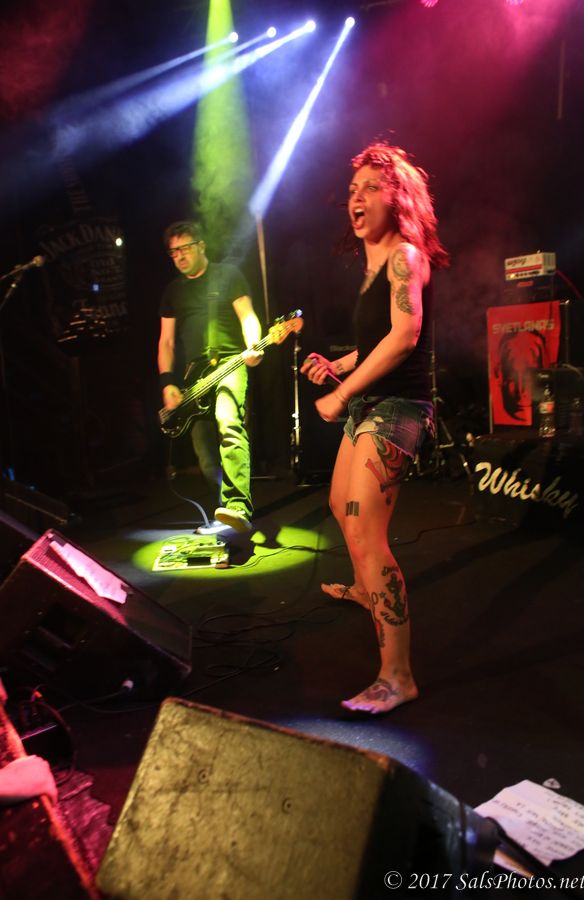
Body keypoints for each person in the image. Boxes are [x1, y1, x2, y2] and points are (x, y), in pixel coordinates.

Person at [300, 142, 449, 715]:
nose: (355, 199)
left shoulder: (406, 255)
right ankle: (367, 590)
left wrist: (341, 392)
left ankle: (397, 677)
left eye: (369, 188)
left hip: (399, 407)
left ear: (398, 196)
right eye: (352, 191)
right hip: (371, 401)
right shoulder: (372, 267)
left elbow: (405, 337)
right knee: (340, 504)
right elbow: (376, 341)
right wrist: (338, 366)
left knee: (366, 530)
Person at [158, 221, 263, 533]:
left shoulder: (227, 275)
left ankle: (238, 506)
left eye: (185, 248)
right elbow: (166, 342)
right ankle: (224, 513)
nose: (179, 256)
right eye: (173, 252)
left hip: (230, 363)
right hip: (194, 377)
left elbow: (248, 316)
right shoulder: (173, 291)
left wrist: (254, 344)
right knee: (204, 451)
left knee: (228, 422)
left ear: (201, 246)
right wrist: (167, 382)